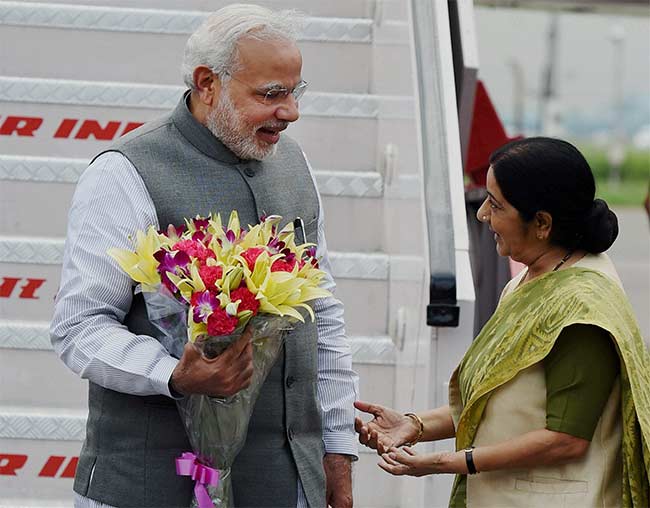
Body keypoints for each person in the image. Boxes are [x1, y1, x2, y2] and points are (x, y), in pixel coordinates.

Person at [50, 5, 358, 508]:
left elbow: (322, 318)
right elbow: (78, 327)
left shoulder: (295, 166)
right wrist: (172, 375)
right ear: (206, 83)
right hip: (150, 487)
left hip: (285, 484)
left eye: (295, 92)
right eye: (271, 94)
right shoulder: (125, 171)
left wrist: (337, 450)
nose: (291, 112)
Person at [355, 137, 650, 507]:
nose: (482, 216)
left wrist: (450, 463)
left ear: (541, 223)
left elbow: (566, 439)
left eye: (495, 206)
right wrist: (414, 425)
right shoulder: (529, 280)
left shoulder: (582, 308)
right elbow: (495, 405)